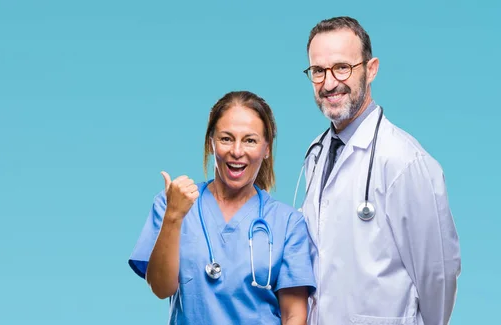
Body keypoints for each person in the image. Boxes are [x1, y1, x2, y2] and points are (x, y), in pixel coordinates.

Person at [295, 16, 462, 325]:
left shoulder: (404, 160)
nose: (329, 83)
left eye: (342, 67)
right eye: (318, 71)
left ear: (371, 70)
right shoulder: (316, 154)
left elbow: (438, 274)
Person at [128, 91, 316, 324]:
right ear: (211, 144)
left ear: (266, 149)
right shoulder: (172, 203)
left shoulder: (287, 223)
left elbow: (294, 314)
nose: (237, 151)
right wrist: (174, 217)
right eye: (226, 138)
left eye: (250, 140)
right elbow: (161, 288)